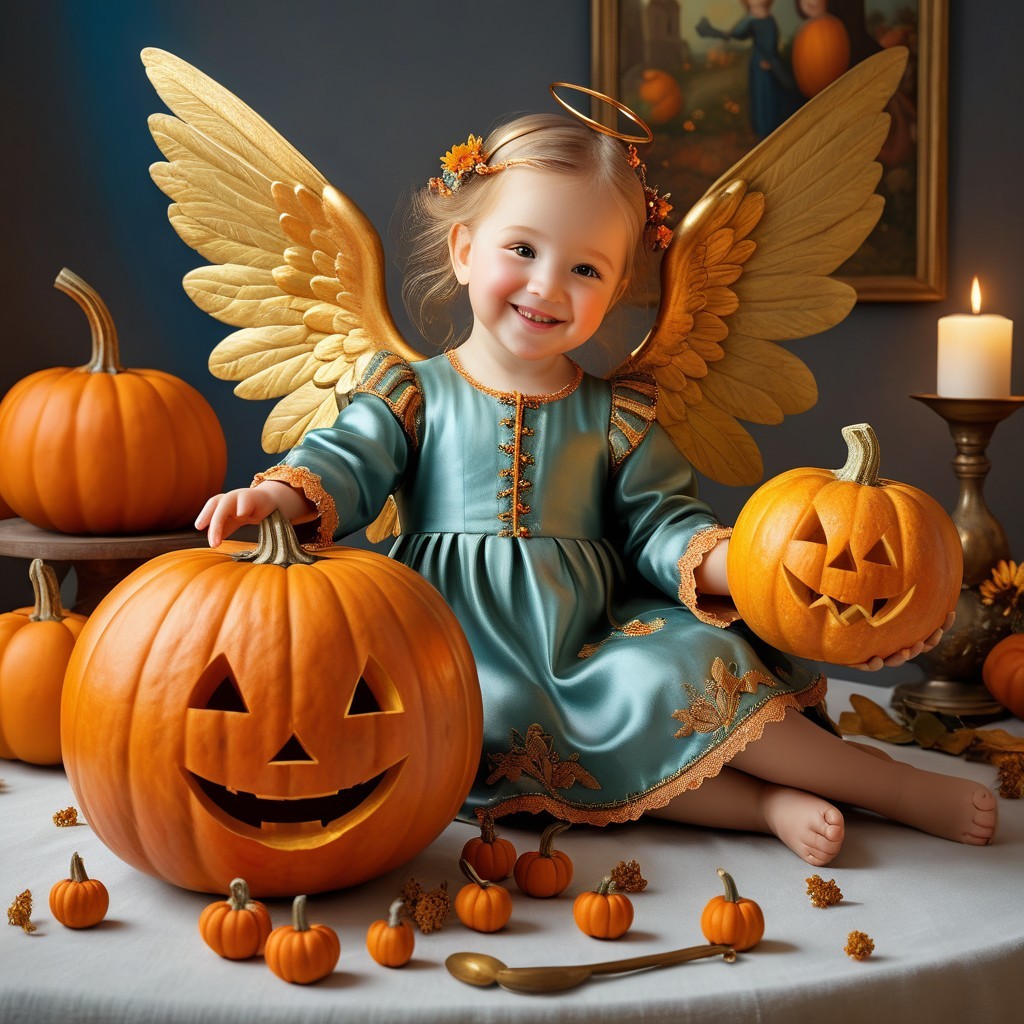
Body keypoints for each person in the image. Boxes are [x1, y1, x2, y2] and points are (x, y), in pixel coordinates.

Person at [196, 106, 995, 866]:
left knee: (683, 670)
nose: (547, 286)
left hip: (592, 632)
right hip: (449, 642)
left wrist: (747, 569)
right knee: (514, 725)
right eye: (523, 250)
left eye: (585, 268)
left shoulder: (615, 412)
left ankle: (891, 785)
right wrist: (279, 499)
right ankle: (762, 808)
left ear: (614, 291)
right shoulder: (411, 392)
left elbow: (659, 521)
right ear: (465, 249)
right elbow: (347, 461)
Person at [697, 0, 802, 138]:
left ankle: (776, 127)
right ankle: (765, 130)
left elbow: (770, 39)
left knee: (776, 92)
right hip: (760, 62)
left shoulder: (766, 18)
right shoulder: (751, 19)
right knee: (762, 95)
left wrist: (771, 60)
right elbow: (737, 33)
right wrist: (714, 32)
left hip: (770, 60)